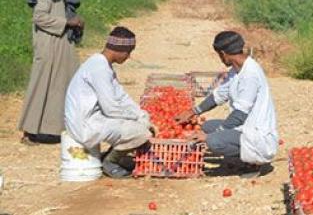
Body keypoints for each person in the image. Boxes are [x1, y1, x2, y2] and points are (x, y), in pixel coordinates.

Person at [175, 31, 278, 173]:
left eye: (219, 55)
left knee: (214, 141)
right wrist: (192, 112)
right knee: (206, 126)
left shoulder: (250, 75)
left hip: (257, 135)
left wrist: (213, 135)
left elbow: (240, 114)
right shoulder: (236, 70)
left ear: (223, 54)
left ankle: (252, 163)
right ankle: (240, 154)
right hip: (245, 126)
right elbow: (219, 95)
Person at [65, 27, 154, 178]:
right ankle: (109, 162)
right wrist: (136, 118)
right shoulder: (99, 69)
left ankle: (109, 155)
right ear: (120, 50)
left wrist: (140, 113)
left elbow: (120, 96)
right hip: (85, 124)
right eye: (128, 52)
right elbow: (111, 109)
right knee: (141, 132)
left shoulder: (102, 64)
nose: (128, 57)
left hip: (92, 118)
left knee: (136, 125)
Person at [18, 0, 85, 145]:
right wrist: (67, 22)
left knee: (63, 85)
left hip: (63, 43)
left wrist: (77, 23)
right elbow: (39, 18)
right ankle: (29, 131)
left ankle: (54, 129)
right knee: (42, 85)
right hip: (48, 44)